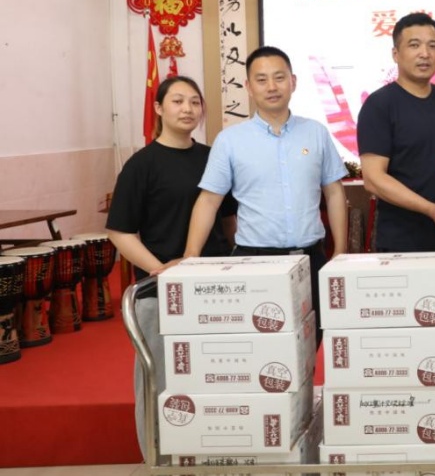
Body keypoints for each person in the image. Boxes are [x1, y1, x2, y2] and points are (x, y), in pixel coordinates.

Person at [105, 76, 236, 461]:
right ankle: (157, 460)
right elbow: (119, 231)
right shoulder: (141, 165)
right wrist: (160, 270)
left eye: (195, 102)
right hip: (160, 292)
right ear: (159, 108)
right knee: (157, 382)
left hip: (214, 290)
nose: (188, 109)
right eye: (177, 101)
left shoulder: (212, 157)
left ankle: (209, 454)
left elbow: (227, 220)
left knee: (215, 376)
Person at [182, 46, 349, 323]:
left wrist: (340, 252)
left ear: (293, 81)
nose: (271, 87)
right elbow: (209, 201)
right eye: (261, 80)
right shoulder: (230, 140)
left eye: (279, 78)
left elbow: (334, 193)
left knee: (314, 335)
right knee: (261, 338)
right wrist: (191, 254)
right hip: (254, 262)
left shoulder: (316, 132)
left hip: (311, 258)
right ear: (248, 87)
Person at [357, 12, 435, 263]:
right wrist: (429, 209)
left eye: (433, 46)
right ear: (395, 54)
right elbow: (373, 179)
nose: (425, 53)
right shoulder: (379, 105)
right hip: (401, 243)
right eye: (414, 45)